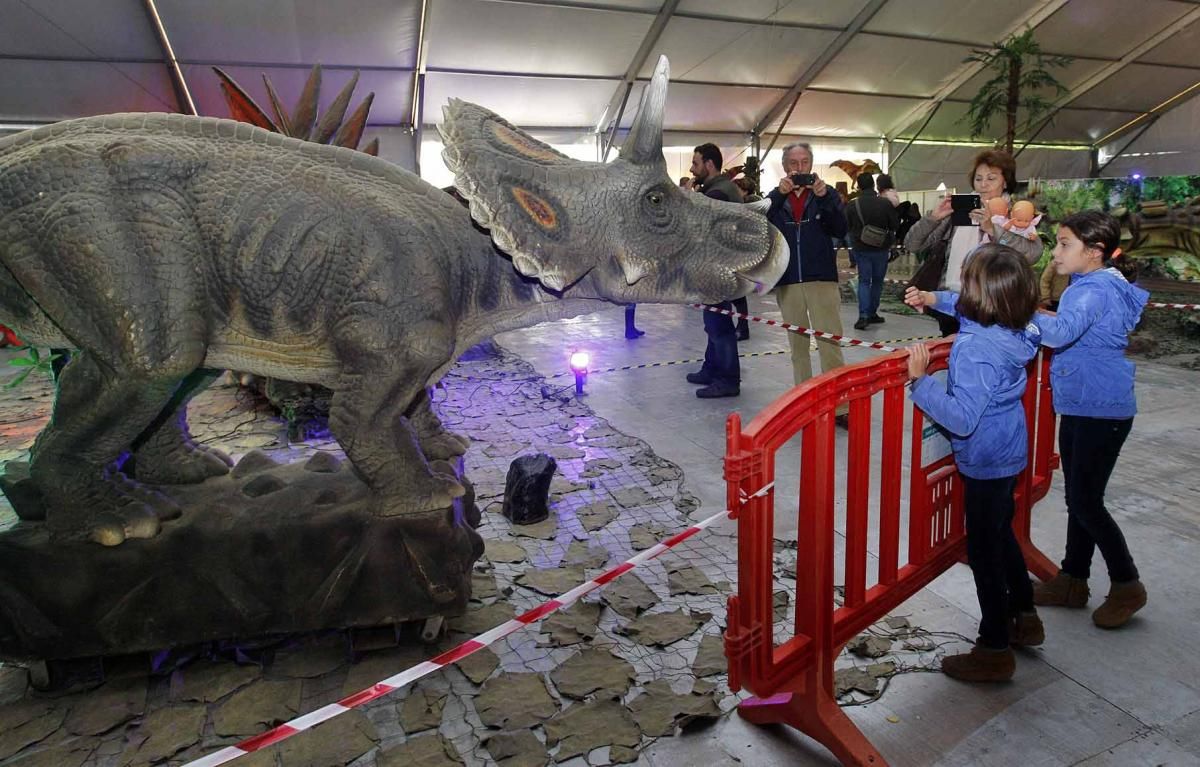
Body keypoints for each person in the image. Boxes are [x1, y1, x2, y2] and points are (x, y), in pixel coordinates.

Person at [904, 244, 1044, 682]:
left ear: (981, 297)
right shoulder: (1014, 326)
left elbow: (962, 419)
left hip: (984, 457)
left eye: (963, 283)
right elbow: (968, 309)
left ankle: (994, 647)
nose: (957, 290)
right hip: (1008, 450)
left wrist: (920, 382)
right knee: (1002, 534)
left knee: (985, 552)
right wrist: (933, 300)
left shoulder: (974, 350)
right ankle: (1025, 614)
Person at [1029, 211, 1149, 629]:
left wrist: (1016, 310)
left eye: (1065, 244)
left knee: (1085, 501)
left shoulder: (1092, 290)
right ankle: (1072, 580)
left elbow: (1059, 334)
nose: (1057, 251)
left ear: (1094, 252)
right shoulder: (1094, 282)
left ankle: (1127, 583)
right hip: (1085, 404)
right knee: (1079, 497)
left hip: (1101, 409)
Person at [904, 150, 1041, 337]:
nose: (983, 185)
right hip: (951, 302)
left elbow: (1033, 254)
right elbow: (912, 244)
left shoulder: (1016, 213)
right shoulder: (960, 210)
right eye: (978, 178)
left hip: (995, 304)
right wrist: (933, 217)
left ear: (1005, 181)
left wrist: (993, 229)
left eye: (991, 179)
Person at [763, 142, 850, 425]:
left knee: (829, 343)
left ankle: (839, 407)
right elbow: (760, 225)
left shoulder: (826, 194)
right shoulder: (776, 198)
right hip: (789, 281)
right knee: (798, 349)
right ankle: (804, 405)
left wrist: (825, 198)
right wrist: (778, 195)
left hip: (821, 279)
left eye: (803, 163)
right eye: (793, 163)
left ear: (811, 165)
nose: (798, 168)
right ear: (785, 165)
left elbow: (841, 229)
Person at [684, 143, 744, 398]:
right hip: (718, 264)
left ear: (709, 164)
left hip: (719, 267)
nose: (691, 168)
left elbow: (696, 225)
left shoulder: (718, 194)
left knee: (719, 325)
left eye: (696, 163)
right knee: (714, 322)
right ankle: (711, 368)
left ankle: (728, 379)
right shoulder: (718, 189)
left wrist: (686, 198)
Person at [846, 173, 900, 331]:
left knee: (864, 281)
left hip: (861, 248)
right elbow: (894, 224)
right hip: (881, 248)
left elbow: (847, 226)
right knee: (877, 281)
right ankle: (872, 313)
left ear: (859, 186)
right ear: (874, 185)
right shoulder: (884, 203)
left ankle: (863, 316)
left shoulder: (852, 205)